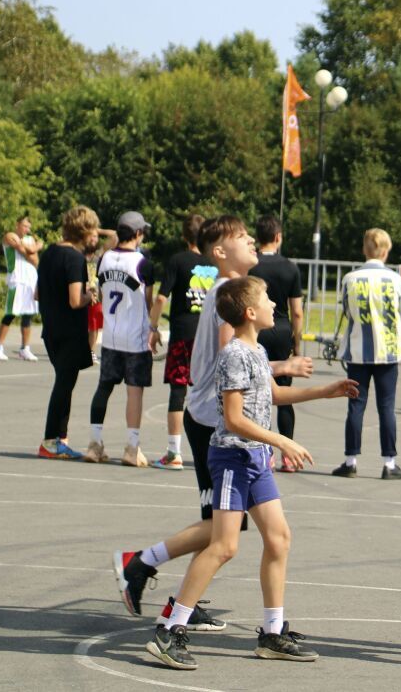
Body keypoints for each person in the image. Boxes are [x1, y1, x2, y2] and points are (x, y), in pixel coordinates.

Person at [145, 276, 356, 670]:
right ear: (250, 312)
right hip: (232, 459)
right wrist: (282, 441)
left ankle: (272, 634)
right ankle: (169, 629)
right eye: (267, 298)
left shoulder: (256, 351)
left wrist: (326, 391)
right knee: (225, 546)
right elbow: (233, 419)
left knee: (279, 538)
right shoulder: (233, 355)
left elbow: (272, 394)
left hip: (255, 460)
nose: (274, 303)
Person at [113, 216, 313, 631]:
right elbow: (232, 357)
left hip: (213, 418)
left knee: (228, 527)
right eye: (241, 238)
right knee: (224, 531)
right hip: (213, 421)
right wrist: (284, 365)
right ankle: (145, 568)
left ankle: (173, 589)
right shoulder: (229, 294)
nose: (250, 242)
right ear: (220, 252)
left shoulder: (230, 290)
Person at [332, 228, 401, 480]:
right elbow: (400, 311)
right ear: (386, 251)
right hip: (387, 351)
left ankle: (350, 460)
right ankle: (389, 463)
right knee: (387, 407)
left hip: (357, 350)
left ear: (365, 250)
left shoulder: (350, 279)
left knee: (356, 404)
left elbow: (345, 311)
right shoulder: (396, 280)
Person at [84, 211, 157, 467]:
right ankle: (131, 447)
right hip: (135, 338)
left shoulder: (104, 259)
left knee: (103, 388)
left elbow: (103, 296)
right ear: (137, 234)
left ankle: (94, 443)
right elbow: (147, 301)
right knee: (134, 392)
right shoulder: (142, 263)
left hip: (111, 336)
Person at [148, 214, 214, 470]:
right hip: (207, 335)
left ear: (184, 236)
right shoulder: (213, 263)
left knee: (178, 389)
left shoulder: (177, 261)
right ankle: (210, 449)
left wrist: (153, 327)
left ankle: (174, 451)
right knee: (208, 390)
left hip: (183, 332)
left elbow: (161, 298)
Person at [35, 207, 102, 459]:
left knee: (64, 383)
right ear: (84, 231)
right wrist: (91, 295)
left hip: (51, 329)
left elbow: (37, 293)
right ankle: (50, 439)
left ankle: (59, 437)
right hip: (70, 330)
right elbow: (76, 300)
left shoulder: (49, 253)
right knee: (63, 386)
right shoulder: (74, 259)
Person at [248, 216, 305, 470]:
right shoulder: (290, 268)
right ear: (279, 237)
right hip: (281, 329)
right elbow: (298, 311)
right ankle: (289, 454)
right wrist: (297, 344)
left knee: (258, 392)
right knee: (282, 394)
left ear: (258, 237)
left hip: (257, 328)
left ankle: (264, 451)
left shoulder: (251, 265)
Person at [0, 214, 42, 362]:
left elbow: (35, 259)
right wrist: (34, 248)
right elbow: (21, 250)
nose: (27, 228)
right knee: (10, 313)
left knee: (28, 315)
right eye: (24, 225)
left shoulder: (29, 239)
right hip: (17, 280)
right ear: (17, 224)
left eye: (29, 226)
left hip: (30, 280)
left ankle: (25, 348)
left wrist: (32, 248)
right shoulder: (9, 236)